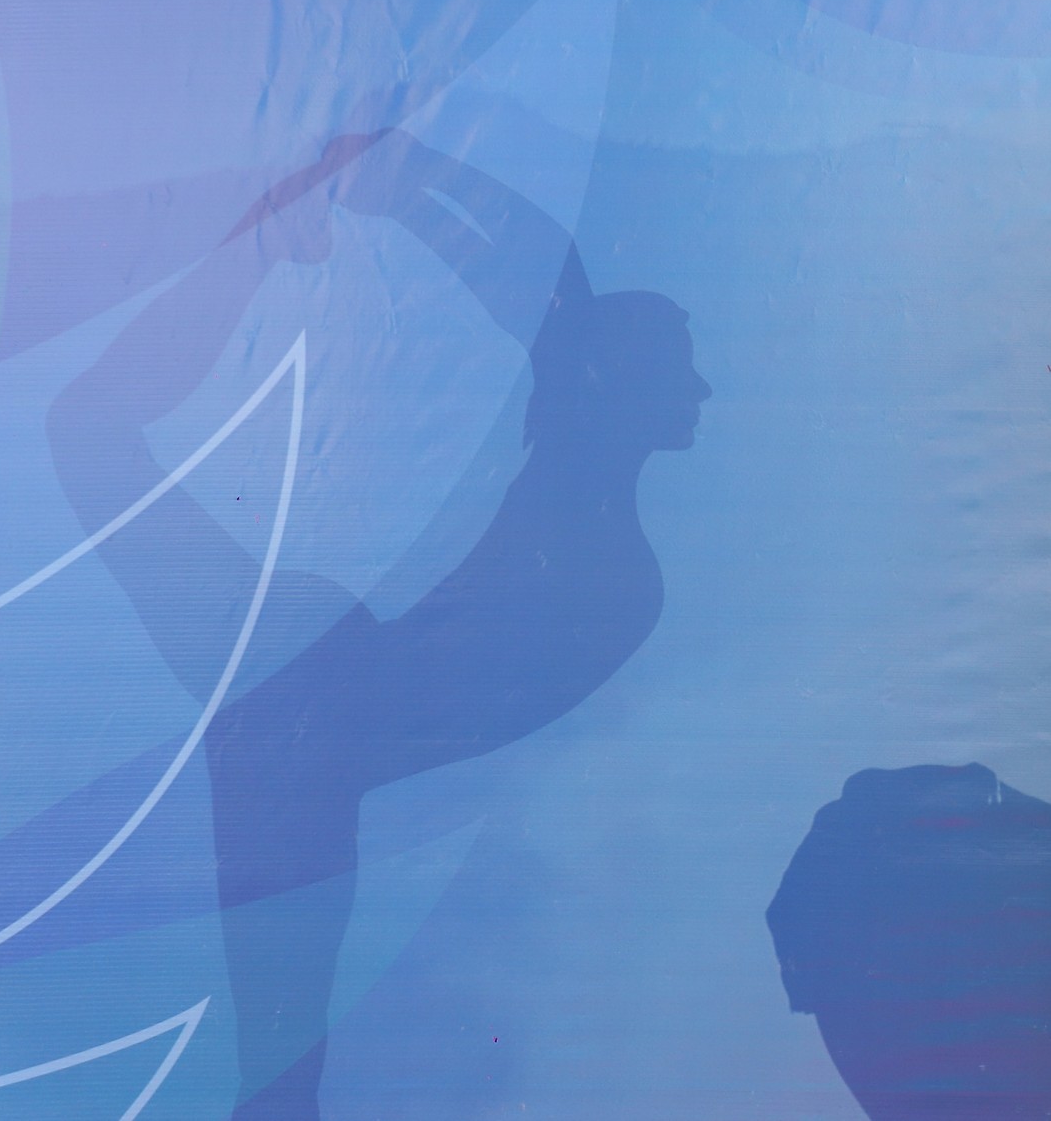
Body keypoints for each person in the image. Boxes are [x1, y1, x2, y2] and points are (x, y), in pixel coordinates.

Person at [41, 128, 705, 1116]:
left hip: (306, 707)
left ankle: (266, 240)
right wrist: (396, 174)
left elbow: (546, 274)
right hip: (305, 693)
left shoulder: (615, 566)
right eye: (679, 370)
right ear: (622, 384)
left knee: (279, 1077)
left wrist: (393, 175)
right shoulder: (607, 541)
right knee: (279, 1075)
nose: (701, 390)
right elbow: (546, 270)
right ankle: (266, 240)